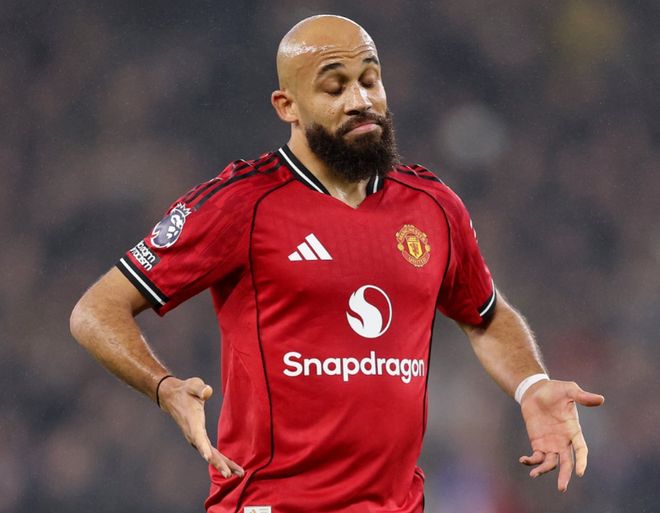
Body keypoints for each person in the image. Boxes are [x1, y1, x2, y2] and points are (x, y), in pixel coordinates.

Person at [70, 14, 604, 513]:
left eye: (370, 81)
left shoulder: (433, 206)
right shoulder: (241, 204)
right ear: (287, 105)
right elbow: (97, 310)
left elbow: (484, 314)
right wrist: (163, 387)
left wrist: (532, 385)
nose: (360, 100)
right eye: (334, 87)